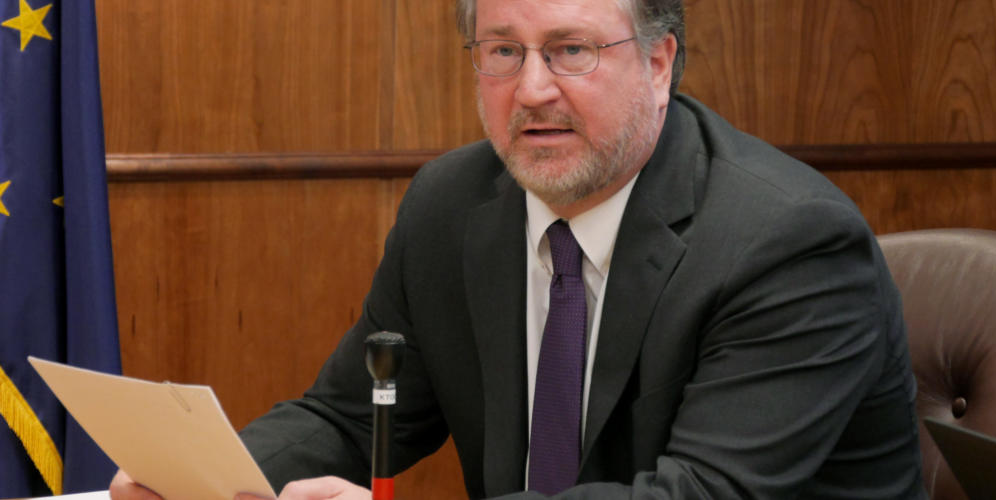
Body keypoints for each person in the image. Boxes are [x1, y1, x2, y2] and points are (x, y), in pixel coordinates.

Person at [111, 0, 925, 498]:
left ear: (658, 61)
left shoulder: (785, 242)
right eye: (503, 51)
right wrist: (206, 478)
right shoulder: (454, 204)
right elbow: (354, 417)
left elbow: (699, 494)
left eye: (570, 49)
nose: (532, 88)